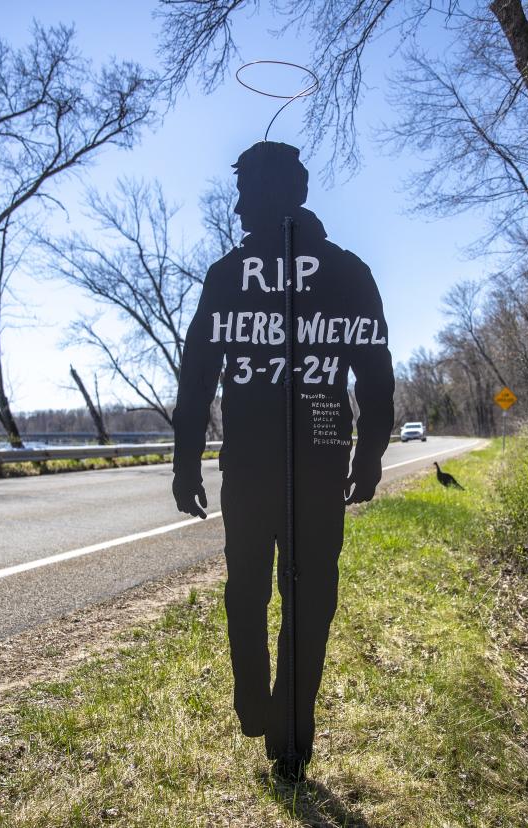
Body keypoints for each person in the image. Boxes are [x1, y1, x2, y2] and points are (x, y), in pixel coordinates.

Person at [171, 141, 394, 780]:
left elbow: (375, 375)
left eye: (246, 193)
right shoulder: (256, 275)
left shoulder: (336, 273)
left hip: (305, 464)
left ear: (277, 194)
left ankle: (290, 737)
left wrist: (371, 454)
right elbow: (198, 376)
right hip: (271, 466)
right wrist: (186, 461)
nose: (238, 207)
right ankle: (260, 707)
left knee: (295, 597)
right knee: (270, 595)